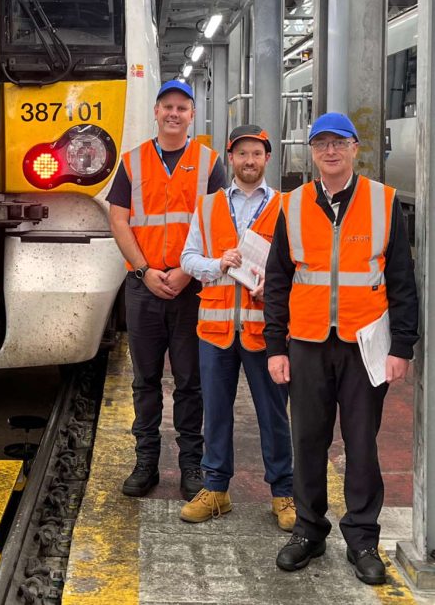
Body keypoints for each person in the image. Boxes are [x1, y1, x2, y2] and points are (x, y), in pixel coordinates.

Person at [264, 112, 419, 586]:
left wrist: (402, 347)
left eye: (339, 143)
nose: (330, 151)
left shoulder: (383, 201)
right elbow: (276, 281)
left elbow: (401, 281)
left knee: (361, 444)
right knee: (307, 441)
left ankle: (362, 539)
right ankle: (309, 532)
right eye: (321, 144)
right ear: (311, 153)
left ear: (355, 149)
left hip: (363, 345)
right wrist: (276, 346)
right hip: (308, 344)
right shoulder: (291, 206)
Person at [107, 79, 227, 499]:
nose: (174, 114)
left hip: (191, 288)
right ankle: (146, 464)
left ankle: (191, 465)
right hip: (143, 286)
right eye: (167, 107)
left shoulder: (210, 163)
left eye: (182, 108)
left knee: (191, 382)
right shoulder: (132, 162)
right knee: (146, 379)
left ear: (192, 115)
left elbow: (219, 225)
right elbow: (118, 220)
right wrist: (144, 271)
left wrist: (185, 272)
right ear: (156, 113)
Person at [179, 125, 294, 529]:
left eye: (257, 154)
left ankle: (283, 494)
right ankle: (216, 490)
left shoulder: (285, 207)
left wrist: (276, 286)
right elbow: (187, 258)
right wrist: (217, 264)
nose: (249, 161)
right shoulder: (208, 206)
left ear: (266, 159)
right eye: (242, 154)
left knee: (273, 414)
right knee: (216, 413)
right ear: (231, 158)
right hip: (215, 331)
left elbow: (299, 266)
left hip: (265, 332)